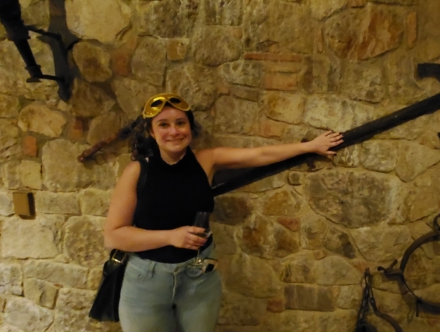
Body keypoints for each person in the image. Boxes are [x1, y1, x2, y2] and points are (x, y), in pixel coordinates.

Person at [103, 93, 344, 332]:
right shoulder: (137, 170)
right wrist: (170, 236)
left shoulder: (207, 160)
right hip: (147, 281)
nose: (174, 131)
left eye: (180, 123)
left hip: (198, 277)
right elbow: (113, 235)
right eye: (163, 125)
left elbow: (260, 155)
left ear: (190, 128)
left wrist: (310, 146)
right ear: (152, 132)